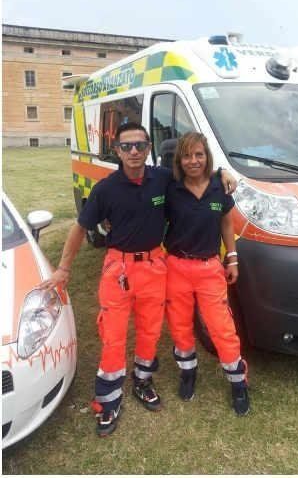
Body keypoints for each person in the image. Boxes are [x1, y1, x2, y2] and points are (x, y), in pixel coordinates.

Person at [39, 122, 236, 436]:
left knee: (150, 330)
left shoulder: (162, 178)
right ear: (117, 150)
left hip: (155, 266)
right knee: (114, 335)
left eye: (140, 146)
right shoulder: (105, 189)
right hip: (119, 269)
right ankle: (108, 398)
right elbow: (79, 228)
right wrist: (63, 268)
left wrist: (222, 173)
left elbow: (195, 168)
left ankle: (143, 380)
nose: (134, 152)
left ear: (149, 149)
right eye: (127, 146)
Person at [163, 132, 249, 416]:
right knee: (179, 325)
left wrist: (232, 259)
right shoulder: (170, 187)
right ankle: (188, 372)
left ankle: (238, 382)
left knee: (221, 326)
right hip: (176, 267)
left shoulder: (218, 187)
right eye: (187, 155)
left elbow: (226, 225)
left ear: (206, 156)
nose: (193, 161)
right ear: (179, 159)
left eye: (199, 154)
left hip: (210, 267)